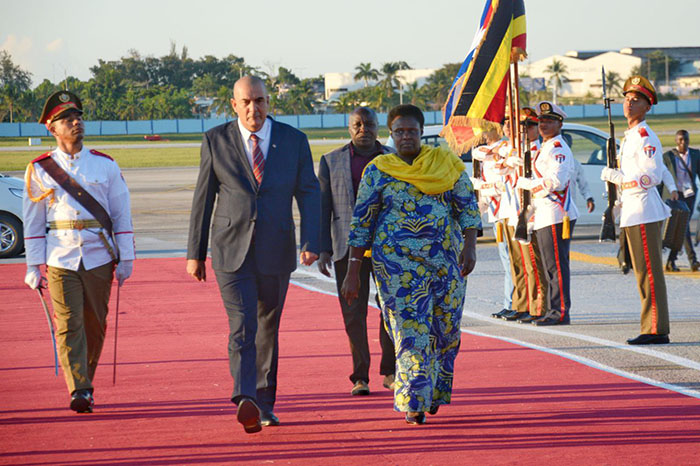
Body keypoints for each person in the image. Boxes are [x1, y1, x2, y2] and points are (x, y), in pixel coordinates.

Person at [186, 76, 320, 433]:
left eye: (259, 101)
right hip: (230, 249)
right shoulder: (216, 140)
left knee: (267, 328)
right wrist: (195, 253)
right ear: (234, 104)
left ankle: (264, 403)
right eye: (246, 102)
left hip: (276, 248)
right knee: (242, 325)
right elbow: (204, 198)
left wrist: (311, 241)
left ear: (268, 101)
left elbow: (309, 193)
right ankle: (244, 397)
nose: (253, 109)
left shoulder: (294, 141)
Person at [341, 104, 481, 425]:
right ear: (391, 134)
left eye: (412, 131)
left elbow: (468, 209)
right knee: (410, 333)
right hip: (397, 270)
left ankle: (433, 392)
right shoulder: (379, 170)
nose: (406, 137)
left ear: (421, 132)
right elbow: (361, 223)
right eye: (400, 132)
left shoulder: (446, 164)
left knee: (445, 333)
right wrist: (352, 272)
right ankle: (413, 403)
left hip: (446, 266)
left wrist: (470, 247)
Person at [22, 90, 135, 413]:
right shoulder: (40, 169)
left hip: (99, 255)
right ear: (51, 128)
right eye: (66, 120)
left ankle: (85, 378)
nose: (76, 123)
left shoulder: (105, 165)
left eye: (78, 117)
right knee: (69, 322)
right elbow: (33, 222)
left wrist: (126, 258)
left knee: (95, 323)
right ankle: (80, 389)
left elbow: (121, 213)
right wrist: (33, 265)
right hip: (61, 257)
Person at [317, 107, 396, 396]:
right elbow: (323, 206)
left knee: (389, 308)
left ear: (379, 127)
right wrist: (322, 248)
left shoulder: (394, 158)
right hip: (345, 247)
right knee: (353, 312)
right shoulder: (331, 161)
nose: (364, 129)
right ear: (349, 128)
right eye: (357, 124)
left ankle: (390, 371)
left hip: (387, 248)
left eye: (369, 124)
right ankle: (359, 377)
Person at [600, 76, 673, 345]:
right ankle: (651, 325)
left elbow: (651, 176)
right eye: (627, 99)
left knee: (649, 272)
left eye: (636, 100)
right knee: (641, 272)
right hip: (632, 209)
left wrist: (618, 178)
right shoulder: (630, 136)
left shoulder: (645, 136)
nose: (629, 104)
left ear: (648, 106)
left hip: (644, 209)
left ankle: (656, 327)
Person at [517, 101, 579, 326]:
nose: (543, 124)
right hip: (544, 213)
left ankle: (560, 311)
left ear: (560, 124)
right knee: (547, 266)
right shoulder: (545, 147)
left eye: (549, 121)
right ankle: (552, 309)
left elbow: (558, 181)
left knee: (556, 267)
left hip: (556, 212)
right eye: (541, 120)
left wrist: (529, 184)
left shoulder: (558, 148)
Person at [661, 129, 700, 272]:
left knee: (683, 227)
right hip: (675, 196)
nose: (684, 143)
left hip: (690, 195)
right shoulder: (668, 156)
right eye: (681, 140)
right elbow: (662, 178)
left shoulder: (696, 155)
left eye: (686, 139)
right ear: (676, 141)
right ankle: (691, 259)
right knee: (681, 227)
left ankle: (674, 261)